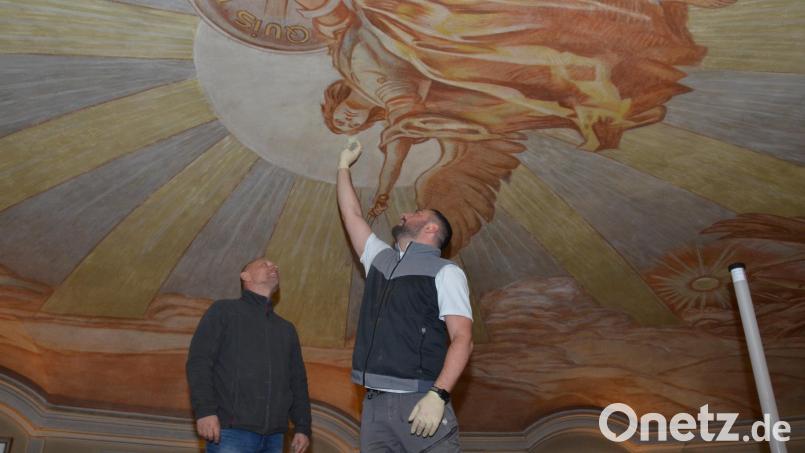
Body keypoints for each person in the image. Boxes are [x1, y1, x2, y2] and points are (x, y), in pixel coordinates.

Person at [336, 138, 474, 452]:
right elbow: (352, 216)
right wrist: (343, 166)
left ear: (431, 230)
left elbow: (463, 338)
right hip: (372, 405)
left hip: (418, 400)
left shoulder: (446, 272)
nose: (404, 215)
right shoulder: (381, 261)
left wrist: (438, 395)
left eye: (415, 213)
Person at [186, 258, 311, 453]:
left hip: (275, 437)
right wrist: (205, 411)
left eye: (275, 265)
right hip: (230, 432)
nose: (274, 267)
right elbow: (199, 361)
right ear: (245, 276)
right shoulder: (223, 311)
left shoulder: (286, 329)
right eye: (264, 264)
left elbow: (298, 382)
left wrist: (303, 427)